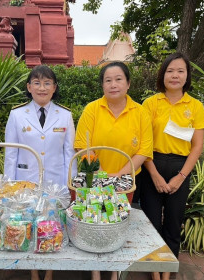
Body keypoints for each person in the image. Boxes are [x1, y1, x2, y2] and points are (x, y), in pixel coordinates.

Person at [74, 61, 153, 280]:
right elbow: (83, 144)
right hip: (94, 180)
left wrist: (119, 174)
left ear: (128, 83)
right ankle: (96, 273)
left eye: (118, 79)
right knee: (93, 223)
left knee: (117, 224)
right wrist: (99, 173)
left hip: (124, 182)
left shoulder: (140, 112)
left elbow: (144, 150)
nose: (113, 84)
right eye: (108, 80)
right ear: (102, 85)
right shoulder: (92, 109)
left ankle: (115, 273)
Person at [4, 65, 76, 280]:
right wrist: (9, 186)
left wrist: (70, 187)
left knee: (53, 226)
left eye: (47, 83)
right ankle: (34, 271)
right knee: (29, 225)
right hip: (25, 183)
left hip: (56, 184)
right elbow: (11, 153)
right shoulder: (16, 115)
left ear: (54, 88)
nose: (42, 88)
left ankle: (50, 271)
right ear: (29, 87)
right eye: (36, 83)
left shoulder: (65, 115)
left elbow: (69, 155)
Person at [140, 52, 204, 280]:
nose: (175, 75)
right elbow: (143, 144)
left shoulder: (195, 106)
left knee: (173, 223)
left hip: (181, 166)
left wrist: (180, 176)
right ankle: (154, 272)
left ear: (187, 76)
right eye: (170, 71)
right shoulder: (150, 103)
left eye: (180, 71)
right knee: (151, 223)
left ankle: (167, 273)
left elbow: (196, 147)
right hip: (152, 165)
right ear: (163, 75)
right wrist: (155, 175)